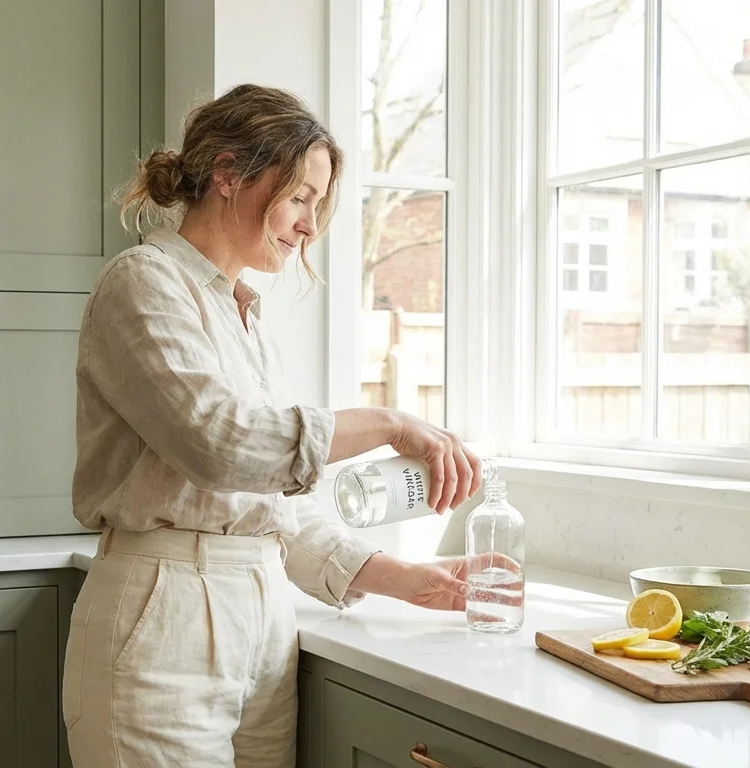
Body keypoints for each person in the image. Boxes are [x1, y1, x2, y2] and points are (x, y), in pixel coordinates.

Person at [64, 83, 484, 768]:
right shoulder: (141, 284)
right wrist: (389, 424)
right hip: (160, 621)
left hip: (262, 624)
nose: (309, 226)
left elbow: (270, 513)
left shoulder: (245, 320)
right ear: (228, 175)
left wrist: (410, 580)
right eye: (299, 199)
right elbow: (219, 445)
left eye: (316, 206)